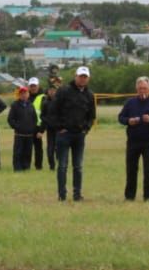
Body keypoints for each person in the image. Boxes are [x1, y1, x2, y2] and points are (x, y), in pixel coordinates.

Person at [118, 76, 149, 201]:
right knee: (131, 170)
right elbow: (121, 118)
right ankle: (129, 196)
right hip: (133, 142)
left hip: (148, 142)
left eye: (145, 88)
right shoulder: (130, 103)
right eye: (140, 88)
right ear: (136, 89)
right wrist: (129, 121)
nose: (142, 91)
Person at [52, 66, 97, 202]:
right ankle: (62, 195)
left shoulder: (89, 95)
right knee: (63, 166)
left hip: (79, 135)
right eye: (80, 76)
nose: (83, 79)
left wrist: (86, 129)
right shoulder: (63, 91)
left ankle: (77, 194)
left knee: (78, 166)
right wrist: (59, 127)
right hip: (64, 135)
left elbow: (91, 115)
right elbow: (52, 111)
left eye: (85, 77)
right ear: (75, 76)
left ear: (88, 78)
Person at [6, 84, 40, 172]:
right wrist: (17, 127)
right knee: (18, 152)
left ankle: (26, 167)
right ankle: (17, 168)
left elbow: (34, 118)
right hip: (19, 134)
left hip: (29, 134)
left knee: (28, 152)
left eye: (25, 93)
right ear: (19, 94)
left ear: (28, 94)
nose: (24, 95)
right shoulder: (15, 105)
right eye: (22, 93)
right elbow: (10, 119)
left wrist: (32, 128)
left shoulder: (31, 105)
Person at [27, 77, 45, 169]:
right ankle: (27, 166)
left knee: (38, 148)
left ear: (38, 86)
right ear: (29, 86)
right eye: (31, 86)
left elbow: (45, 114)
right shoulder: (25, 96)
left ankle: (38, 166)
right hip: (28, 127)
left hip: (38, 127)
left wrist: (42, 130)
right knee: (27, 148)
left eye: (35, 86)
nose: (33, 87)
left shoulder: (43, 97)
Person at [42, 85, 60, 170]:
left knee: (59, 147)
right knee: (50, 148)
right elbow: (42, 116)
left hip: (59, 129)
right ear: (48, 91)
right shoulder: (45, 103)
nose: (52, 92)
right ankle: (51, 165)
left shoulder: (60, 101)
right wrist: (47, 121)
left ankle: (60, 163)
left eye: (54, 90)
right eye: (50, 90)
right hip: (49, 129)